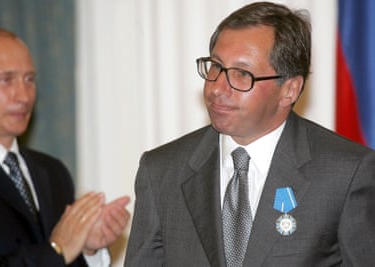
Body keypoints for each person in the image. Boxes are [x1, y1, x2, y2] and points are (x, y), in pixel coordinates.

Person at [125, 2, 375, 266]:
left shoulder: (346, 174)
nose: (217, 88)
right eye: (216, 67)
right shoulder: (161, 172)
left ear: (289, 89)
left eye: (242, 74)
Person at [0, 26, 130, 266]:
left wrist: (87, 249)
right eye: (6, 80)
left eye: (29, 80)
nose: (23, 96)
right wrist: (56, 249)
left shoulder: (52, 172)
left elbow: (61, 258)